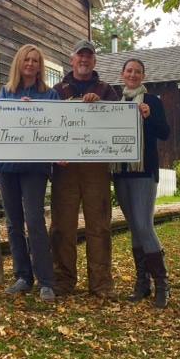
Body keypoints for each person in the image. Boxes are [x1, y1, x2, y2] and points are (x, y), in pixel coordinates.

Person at [50, 39, 119, 298]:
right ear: (72, 59)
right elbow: (46, 125)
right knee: (61, 227)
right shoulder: (57, 91)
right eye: (80, 55)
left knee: (99, 225)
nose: (84, 60)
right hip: (65, 167)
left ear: (94, 61)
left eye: (89, 56)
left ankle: (101, 283)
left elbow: (119, 122)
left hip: (96, 167)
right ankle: (63, 280)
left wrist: (101, 106)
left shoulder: (107, 90)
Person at [0, 44, 59, 303]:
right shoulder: (5, 93)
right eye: (27, 59)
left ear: (40, 66)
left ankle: (46, 281)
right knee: (13, 223)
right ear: (19, 63)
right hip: (7, 166)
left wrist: (35, 113)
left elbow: (58, 128)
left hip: (35, 166)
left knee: (34, 220)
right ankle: (22, 276)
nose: (31, 64)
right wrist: (15, 111)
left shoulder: (50, 95)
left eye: (35, 60)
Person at [112, 58, 171, 308]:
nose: (133, 75)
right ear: (122, 74)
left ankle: (162, 284)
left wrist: (149, 116)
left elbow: (165, 133)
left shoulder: (152, 101)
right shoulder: (116, 102)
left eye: (137, 72)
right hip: (121, 172)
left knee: (144, 226)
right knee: (135, 228)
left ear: (143, 76)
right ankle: (142, 283)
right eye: (129, 71)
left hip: (144, 171)